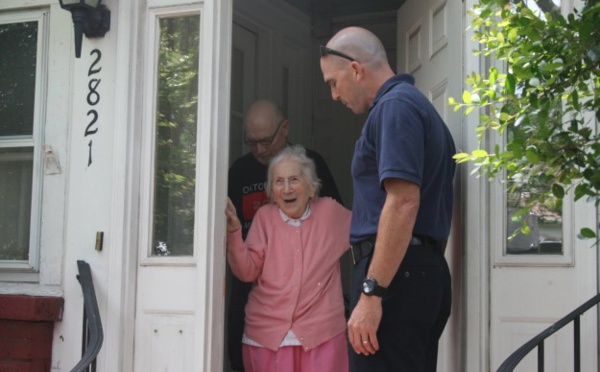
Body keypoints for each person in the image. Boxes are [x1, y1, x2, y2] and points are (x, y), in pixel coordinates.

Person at [320, 27, 456, 372]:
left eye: (333, 82)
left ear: (355, 69)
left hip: (395, 278)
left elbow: (404, 202)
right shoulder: (419, 108)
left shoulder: (395, 108)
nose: (334, 95)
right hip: (416, 272)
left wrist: (372, 292)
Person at [227, 99, 343, 371]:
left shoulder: (314, 169)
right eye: (251, 142)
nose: (259, 149)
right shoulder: (240, 174)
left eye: (266, 141)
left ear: (285, 128)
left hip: (314, 321)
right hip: (255, 295)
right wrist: (233, 233)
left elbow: (359, 229)